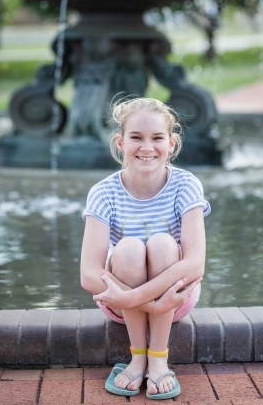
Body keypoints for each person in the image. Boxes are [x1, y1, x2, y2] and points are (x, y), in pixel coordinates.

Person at [80, 97, 210, 400]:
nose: (147, 147)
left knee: (164, 244)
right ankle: (138, 356)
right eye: (136, 137)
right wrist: (143, 302)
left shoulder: (186, 186)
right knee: (126, 249)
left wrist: (136, 298)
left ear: (172, 143)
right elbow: (88, 275)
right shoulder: (103, 193)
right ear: (120, 142)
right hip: (119, 303)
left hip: (175, 297)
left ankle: (158, 358)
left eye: (157, 138)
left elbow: (195, 265)